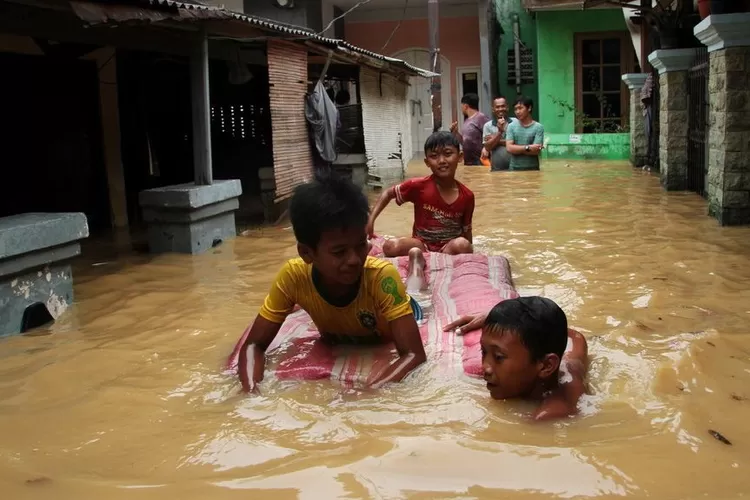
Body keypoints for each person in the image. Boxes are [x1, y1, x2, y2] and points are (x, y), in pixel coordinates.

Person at [237, 170, 426, 393]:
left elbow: (414, 354)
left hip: (404, 310)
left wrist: (367, 392)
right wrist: (250, 392)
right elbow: (254, 345)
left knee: (416, 289)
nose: (354, 260)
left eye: (360, 245)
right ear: (307, 253)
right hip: (346, 323)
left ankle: (416, 261)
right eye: (339, 252)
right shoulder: (292, 277)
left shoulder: (382, 277)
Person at [443, 296, 588, 421]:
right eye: (483, 351)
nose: (485, 367)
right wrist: (502, 323)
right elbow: (576, 337)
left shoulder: (552, 412)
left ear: (545, 366)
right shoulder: (567, 363)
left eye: (498, 357)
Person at [366, 131, 475, 291]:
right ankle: (418, 256)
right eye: (434, 156)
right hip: (421, 244)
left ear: (459, 157)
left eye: (448, 154)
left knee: (463, 244)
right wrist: (371, 221)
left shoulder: (467, 196)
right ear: (427, 162)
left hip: (448, 247)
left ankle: (422, 260)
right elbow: (388, 193)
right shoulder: (419, 186)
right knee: (390, 246)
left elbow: (467, 229)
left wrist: (470, 251)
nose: (442, 161)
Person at [505, 96, 545, 171]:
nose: (517, 112)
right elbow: (509, 148)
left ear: (529, 108)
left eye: (520, 108)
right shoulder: (511, 126)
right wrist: (528, 148)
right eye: (515, 109)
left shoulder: (538, 127)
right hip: (514, 169)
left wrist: (516, 149)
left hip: (533, 169)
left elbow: (536, 151)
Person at [450, 93, 490, 166]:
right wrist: (455, 132)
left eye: (461, 106)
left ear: (465, 106)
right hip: (468, 162)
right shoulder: (466, 121)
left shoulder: (481, 118)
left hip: (481, 162)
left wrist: (486, 148)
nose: (461, 108)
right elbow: (464, 142)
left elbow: (490, 136)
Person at [481, 96, 514, 171]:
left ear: (507, 107)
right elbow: (487, 147)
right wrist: (500, 132)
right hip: (496, 169)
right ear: (493, 109)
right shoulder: (487, 126)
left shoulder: (516, 122)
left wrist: (495, 141)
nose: (500, 109)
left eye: (503, 106)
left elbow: (519, 143)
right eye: (497, 107)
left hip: (515, 167)